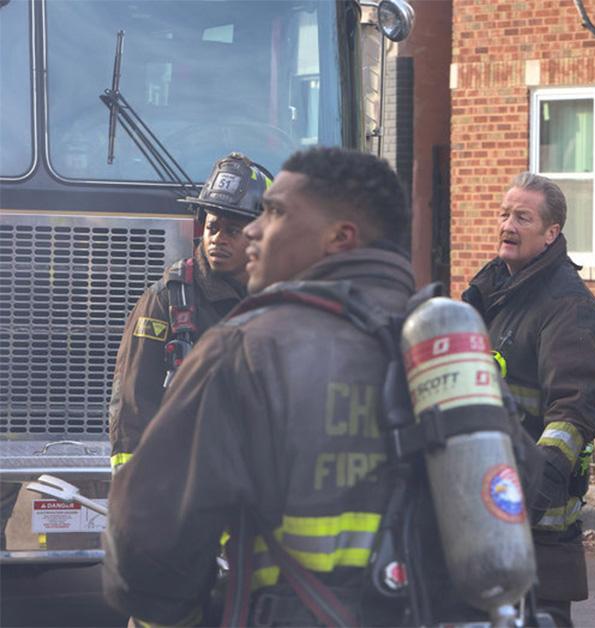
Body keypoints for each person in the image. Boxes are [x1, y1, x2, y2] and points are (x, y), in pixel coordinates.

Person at [103, 147, 514, 626]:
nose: (254, 229)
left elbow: (143, 555)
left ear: (338, 237)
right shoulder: (447, 349)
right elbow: (509, 505)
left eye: (275, 213)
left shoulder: (243, 349)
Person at [462, 172, 595, 626]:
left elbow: (575, 406)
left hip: (536, 526)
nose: (508, 224)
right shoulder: (490, 292)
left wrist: (536, 485)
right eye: (505, 213)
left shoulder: (568, 307)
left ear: (551, 234)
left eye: (523, 217)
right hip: (479, 509)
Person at [107, 152, 269, 472]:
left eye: (232, 231)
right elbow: (133, 402)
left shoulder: (277, 301)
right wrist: (132, 485)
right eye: (212, 227)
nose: (217, 239)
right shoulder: (167, 300)